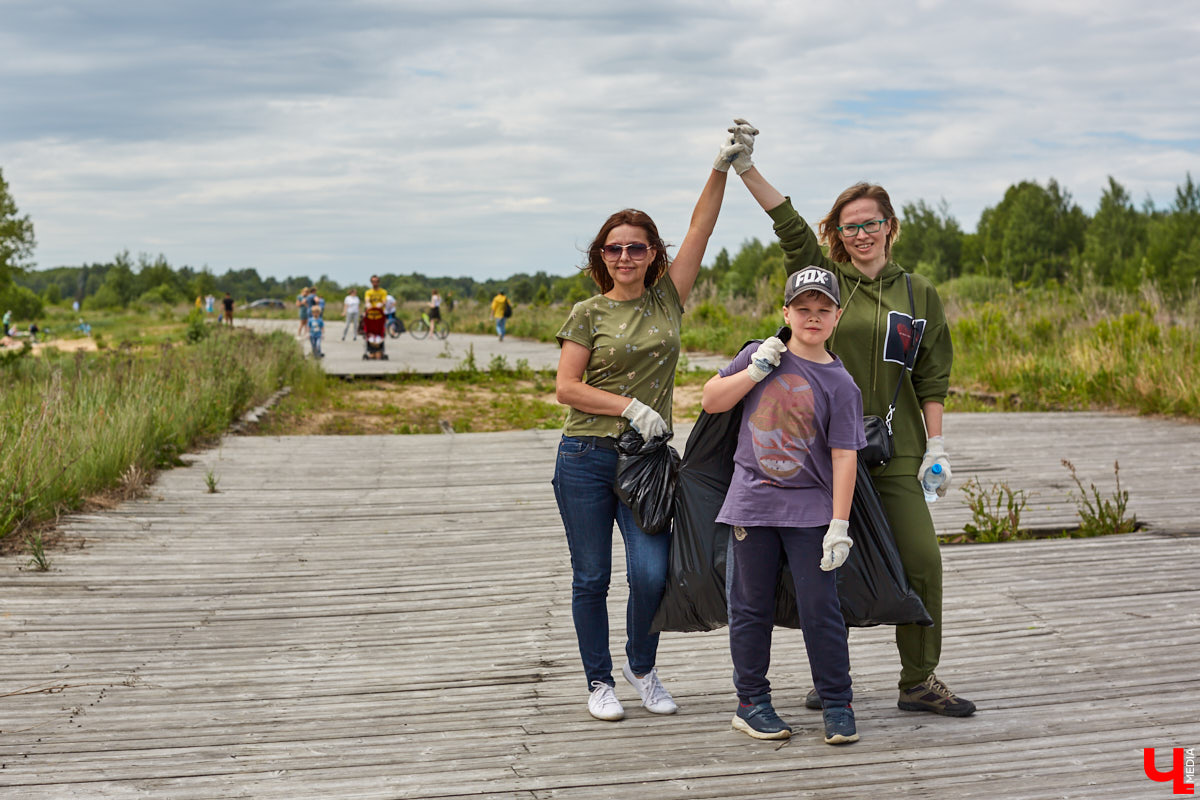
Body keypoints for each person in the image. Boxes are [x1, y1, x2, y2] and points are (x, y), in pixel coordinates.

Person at [732, 129, 974, 718]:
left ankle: (918, 680)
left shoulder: (920, 294)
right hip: (819, 452)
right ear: (836, 235)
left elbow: (931, 376)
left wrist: (937, 444)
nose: (860, 235)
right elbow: (788, 225)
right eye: (848, 227)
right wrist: (746, 170)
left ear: (891, 226)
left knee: (921, 561)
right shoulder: (827, 281)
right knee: (825, 568)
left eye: (870, 223)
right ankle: (830, 677)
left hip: (895, 449)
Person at [551, 119, 752, 723]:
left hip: (648, 463)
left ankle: (643, 668)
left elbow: (701, 227)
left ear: (652, 255)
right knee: (591, 578)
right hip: (586, 458)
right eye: (614, 248)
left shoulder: (667, 298)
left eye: (637, 247)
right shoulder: (588, 312)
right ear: (601, 256)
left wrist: (722, 166)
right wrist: (628, 406)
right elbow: (566, 388)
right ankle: (599, 682)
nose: (625, 256)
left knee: (651, 572)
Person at [701, 267, 865, 745]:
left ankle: (837, 702)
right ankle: (751, 702)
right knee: (749, 607)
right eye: (803, 308)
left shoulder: (841, 384)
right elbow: (712, 401)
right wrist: (754, 371)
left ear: (837, 315)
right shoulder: (759, 355)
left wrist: (840, 522)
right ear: (786, 312)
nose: (812, 317)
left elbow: (844, 455)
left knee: (821, 608)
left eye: (823, 309)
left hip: (811, 512)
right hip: (752, 504)